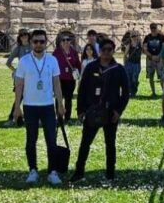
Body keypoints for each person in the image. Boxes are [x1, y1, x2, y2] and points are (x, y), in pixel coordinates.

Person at [71, 39, 130, 182]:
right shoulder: (91, 67)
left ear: (113, 50)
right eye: (104, 50)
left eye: (110, 49)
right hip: (92, 110)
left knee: (110, 144)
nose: (107, 52)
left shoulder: (119, 69)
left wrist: (118, 111)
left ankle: (110, 173)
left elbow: (126, 92)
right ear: (100, 51)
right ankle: (79, 172)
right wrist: (80, 110)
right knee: (85, 143)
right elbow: (82, 89)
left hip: (111, 112)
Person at [12, 30, 66, 185]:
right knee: (31, 140)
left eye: (42, 41)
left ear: (46, 42)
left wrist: (60, 104)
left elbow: (56, 83)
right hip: (30, 106)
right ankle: (33, 170)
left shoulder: (52, 60)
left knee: (51, 140)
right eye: (35, 41)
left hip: (48, 105)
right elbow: (19, 85)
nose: (39, 44)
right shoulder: (24, 61)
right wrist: (17, 107)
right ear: (31, 43)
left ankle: (52, 171)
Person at [4, 29, 32, 127]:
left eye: (26, 35)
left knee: (31, 99)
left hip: (32, 78)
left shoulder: (33, 47)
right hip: (21, 78)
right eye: (22, 35)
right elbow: (8, 62)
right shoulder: (18, 49)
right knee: (18, 98)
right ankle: (12, 118)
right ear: (19, 38)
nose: (24, 37)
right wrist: (15, 70)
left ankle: (29, 119)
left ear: (29, 36)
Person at [53, 36, 82, 123]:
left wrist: (78, 72)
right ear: (61, 42)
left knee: (68, 99)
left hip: (70, 79)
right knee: (59, 98)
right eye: (63, 40)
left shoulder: (73, 52)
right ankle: (59, 117)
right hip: (60, 79)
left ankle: (67, 118)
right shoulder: (57, 52)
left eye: (68, 40)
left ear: (70, 42)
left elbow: (78, 64)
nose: (66, 41)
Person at [142, 23, 164, 97]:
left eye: (154, 28)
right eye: (152, 28)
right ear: (150, 28)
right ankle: (153, 92)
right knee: (151, 76)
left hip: (159, 58)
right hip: (150, 59)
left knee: (162, 76)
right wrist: (151, 56)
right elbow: (144, 49)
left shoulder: (161, 37)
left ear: (157, 28)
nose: (153, 29)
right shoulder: (147, 37)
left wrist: (159, 56)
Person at [123, 32, 143, 96]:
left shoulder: (140, 44)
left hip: (137, 64)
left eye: (135, 36)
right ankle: (130, 92)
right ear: (131, 38)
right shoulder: (129, 45)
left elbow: (145, 50)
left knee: (135, 79)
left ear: (137, 36)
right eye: (132, 36)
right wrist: (125, 64)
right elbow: (125, 55)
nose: (134, 38)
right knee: (129, 79)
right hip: (129, 63)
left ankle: (134, 91)